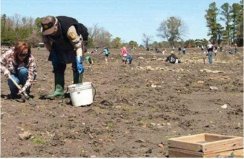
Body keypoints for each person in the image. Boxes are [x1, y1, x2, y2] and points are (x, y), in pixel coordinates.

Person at [40, 16, 88, 99]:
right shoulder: (44, 30)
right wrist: (55, 53)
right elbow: (47, 44)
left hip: (76, 43)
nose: (51, 34)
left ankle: (77, 90)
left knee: (76, 66)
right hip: (59, 43)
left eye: (52, 31)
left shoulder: (70, 30)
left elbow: (78, 47)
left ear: (56, 25)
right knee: (57, 64)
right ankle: (59, 92)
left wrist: (79, 60)